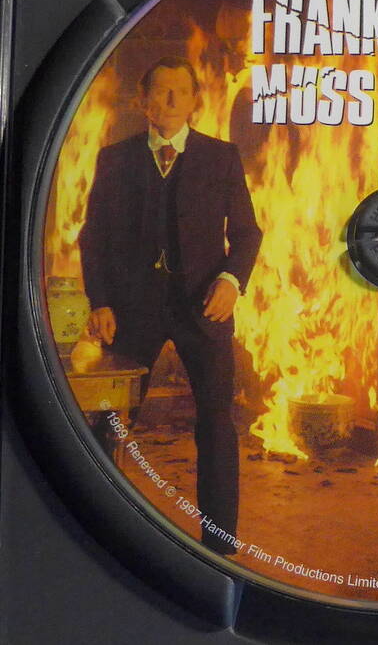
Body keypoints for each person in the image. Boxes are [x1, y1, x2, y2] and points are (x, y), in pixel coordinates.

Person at [79, 55, 262, 554]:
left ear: (196, 100)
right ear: (144, 101)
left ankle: (220, 545)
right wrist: (101, 302)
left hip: (204, 310)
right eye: (161, 90)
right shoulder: (114, 159)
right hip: (132, 312)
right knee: (109, 422)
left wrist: (231, 281)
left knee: (217, 426)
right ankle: (99, 529)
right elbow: (93, 238)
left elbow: (247, 233)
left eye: (181, 90)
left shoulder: (221, 157)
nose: (172, 99)